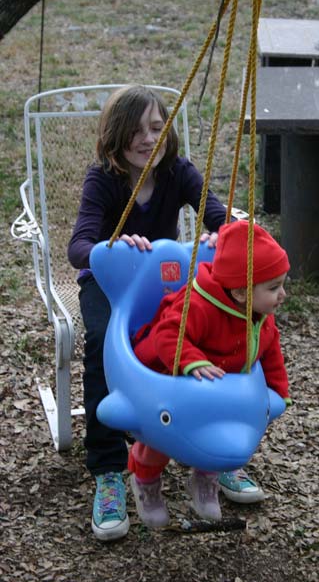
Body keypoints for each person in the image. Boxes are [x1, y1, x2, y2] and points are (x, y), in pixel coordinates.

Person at [67, 85, 262, 541]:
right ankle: (109, 470)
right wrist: (110, 246)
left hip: (168, 281)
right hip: (112, 284)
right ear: (116, 136)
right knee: (100, 343)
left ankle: (212, 455)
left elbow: (216, 215)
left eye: (157, 128)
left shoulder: (178, 172)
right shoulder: (103, 179)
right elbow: (78, 247)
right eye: (136, 131)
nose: (149, 139)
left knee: (212, 334)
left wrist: (226, 235)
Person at [129, 220, 292, 528]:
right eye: (273, 287)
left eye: (283, 284)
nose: (282, 294)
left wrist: (279, 391)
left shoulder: (260, 318)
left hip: (218, 388)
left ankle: (205, 482)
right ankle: (146, 482)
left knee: (217, 436)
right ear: (242, 292)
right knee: (159, 442)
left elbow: (270, 353)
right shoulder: (200, 306)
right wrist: (191, 361)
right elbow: (167, 334)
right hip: (170, 375)